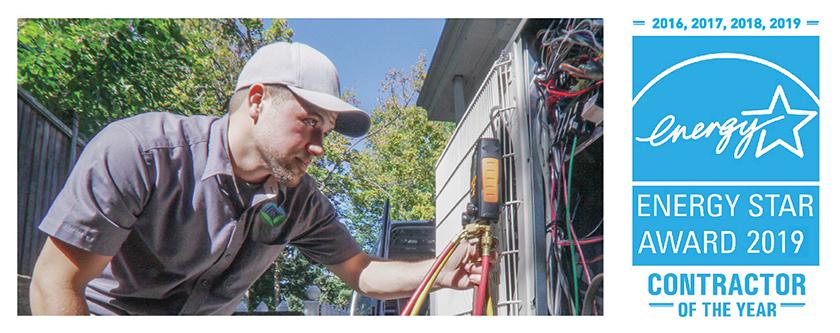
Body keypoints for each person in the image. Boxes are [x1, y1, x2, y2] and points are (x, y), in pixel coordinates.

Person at [29, 42, 486, 315]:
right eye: (309, 122)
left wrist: (438, 272)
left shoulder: (300, 202)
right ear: (256, 101)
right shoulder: (140, 154)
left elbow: (361, 272)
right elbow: (54, 284)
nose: (319, 147)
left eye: (325, 132)